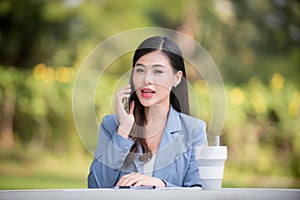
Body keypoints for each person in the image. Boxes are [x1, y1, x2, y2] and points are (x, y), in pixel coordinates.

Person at [88, 36, 208, 188]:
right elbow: (96, 186)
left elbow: (199, 193)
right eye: (140, 70)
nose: (147, 79)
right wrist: (123, 131)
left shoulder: (194, 131)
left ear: (177, 78)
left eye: (157, 71)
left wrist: (161, 185)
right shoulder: (111, 125)